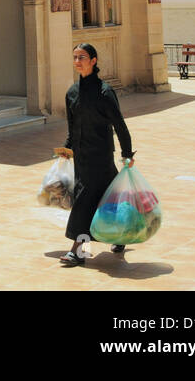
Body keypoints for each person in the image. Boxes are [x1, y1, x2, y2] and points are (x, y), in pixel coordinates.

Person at [54, 42, 135, 266]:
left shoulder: (104, 92)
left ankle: (78, 250)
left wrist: (127, 153)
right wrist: (66, 150)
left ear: (93, 61)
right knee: (109, 199)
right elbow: (72, 128)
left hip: (100, 156)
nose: (77, 61)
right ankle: (120, 234)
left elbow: (119, 125)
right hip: (81, 156)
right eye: (75, 57)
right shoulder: (72, 93)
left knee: (84, 200)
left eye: (82, 57)